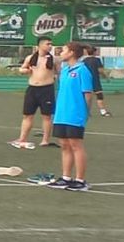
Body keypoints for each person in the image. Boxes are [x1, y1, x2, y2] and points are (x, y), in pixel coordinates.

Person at [42, 42, 97, 191]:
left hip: (75, 114)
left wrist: (85, 112)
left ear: (72, 52)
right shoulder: (65, 70)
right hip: (61, 114)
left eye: (64, 50)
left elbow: (87, 94)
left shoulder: (82, 70)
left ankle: (80, 180)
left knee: (76, 145)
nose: (61, 52)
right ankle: (66, 177)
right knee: (64, 145)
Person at [12, 40, 59, 149]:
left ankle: (45, 140)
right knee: (27, 115)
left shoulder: (54, 59)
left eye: (51, 44)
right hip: (32, 89)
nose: (50, 46)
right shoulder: (30, 58)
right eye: (48, 44)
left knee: (46, 116)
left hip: (47, 90)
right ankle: (22, 138)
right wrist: (25, 70)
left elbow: (59, 72)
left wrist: (55, 78)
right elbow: (22, 68)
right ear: (40, 45)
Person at [83, 46, 111, 117]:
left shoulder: (84, 61)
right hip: (95, 80)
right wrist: (106, 77)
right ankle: (103, 112)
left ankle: (86, 112)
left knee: (87, 97)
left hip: (86, 80)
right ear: (94, 52)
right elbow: (100, 70)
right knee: (99, 96)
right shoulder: (97, 60)